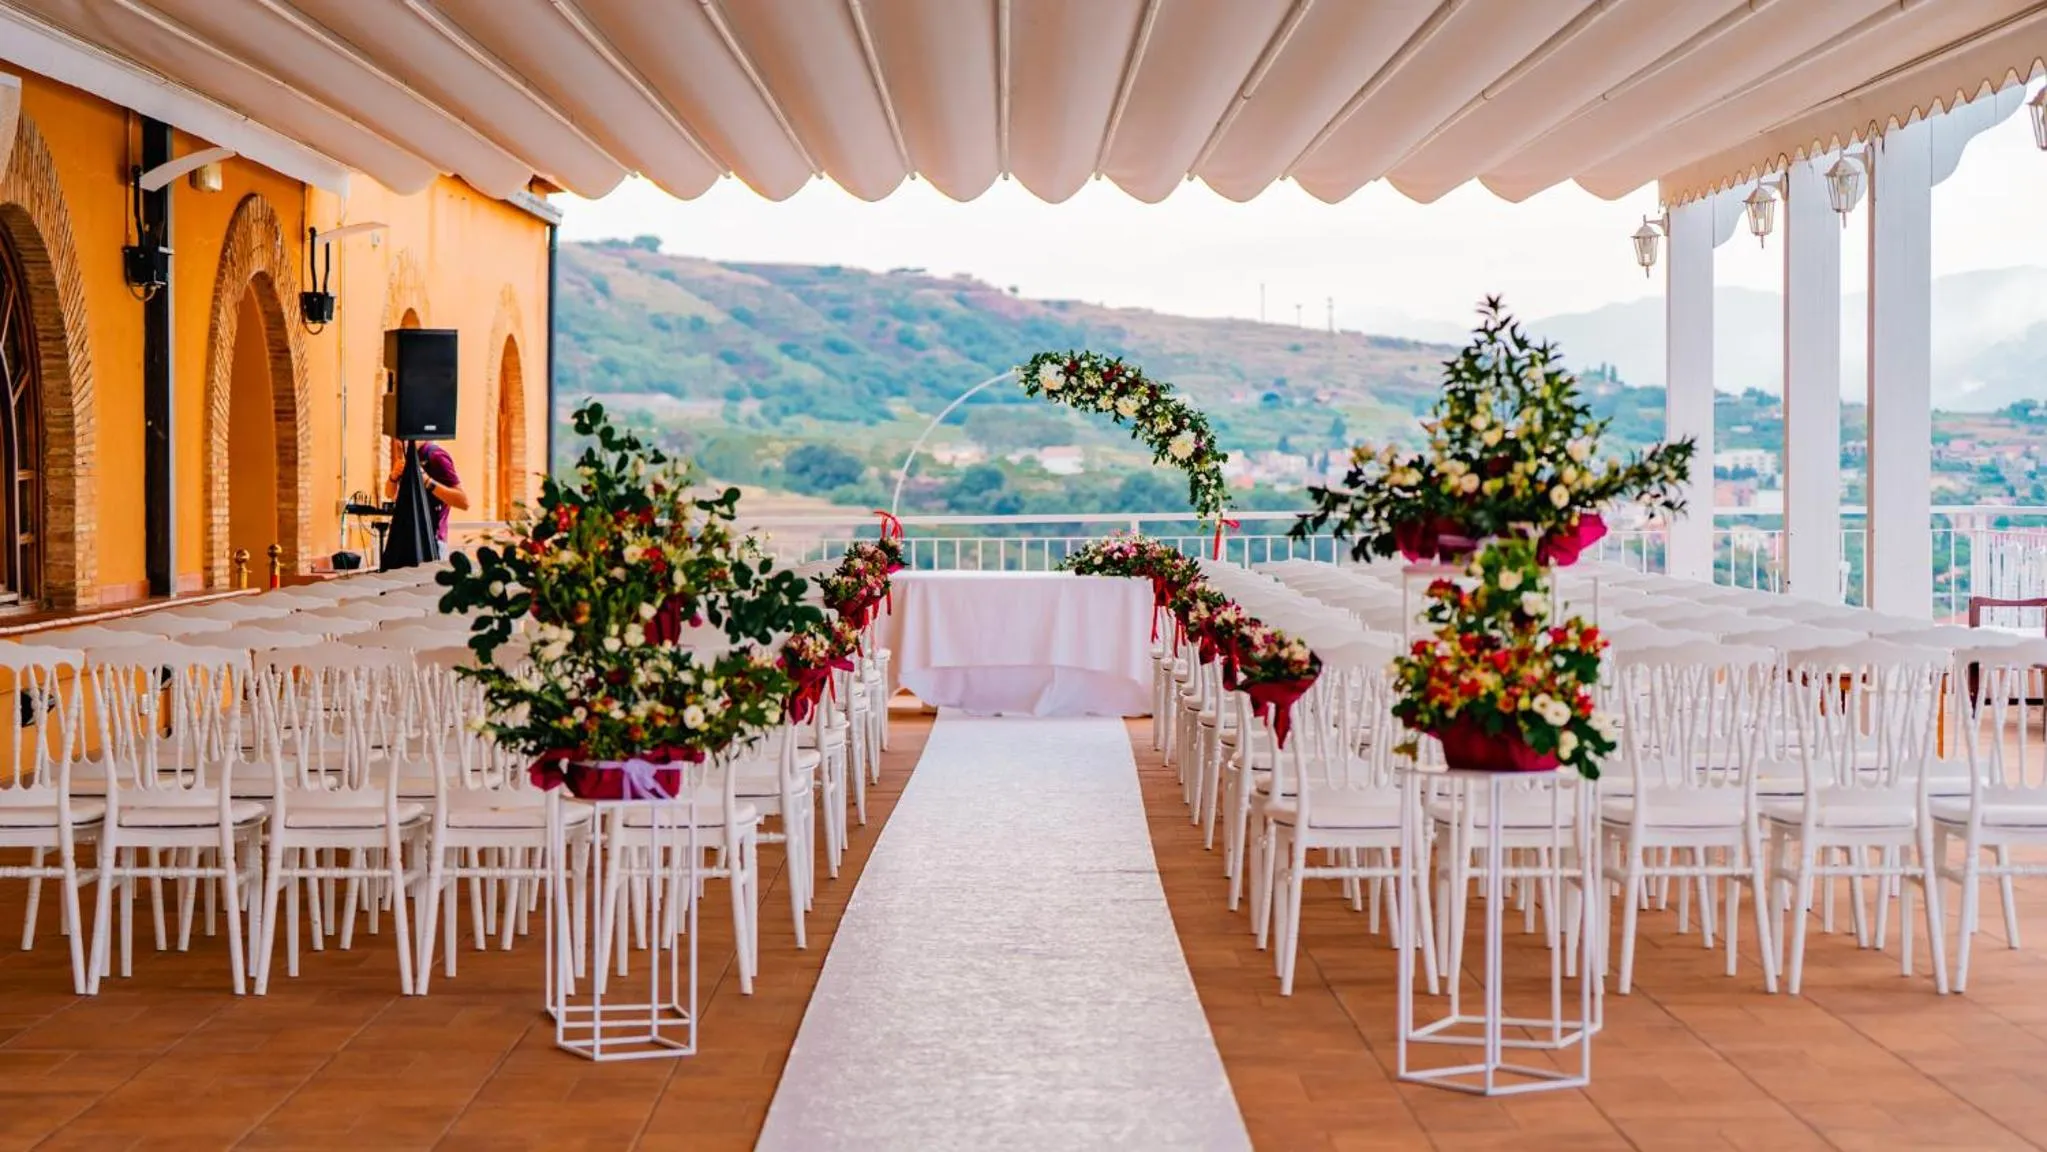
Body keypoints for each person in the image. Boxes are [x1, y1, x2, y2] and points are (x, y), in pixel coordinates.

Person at [386, 436, 469, 555]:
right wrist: (393, 477)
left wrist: (427, 481)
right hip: (409, 539)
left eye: (404, 438)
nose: (401, 443)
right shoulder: (407, 457)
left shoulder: (436, 456)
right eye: (398, 439)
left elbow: (463, 502)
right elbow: (390, 494)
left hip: (432, 540)